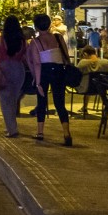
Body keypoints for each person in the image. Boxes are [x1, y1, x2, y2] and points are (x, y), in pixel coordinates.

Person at [27, 13, 73, 146]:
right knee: (60, 103)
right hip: (58, 70)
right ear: (49, 24)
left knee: (41, 101)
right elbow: (66, 57)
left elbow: (36, 63)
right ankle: (66, 133)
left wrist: (37, 81)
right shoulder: (58, 38)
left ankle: (40, 132)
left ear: (36, 27)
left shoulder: (35, 42)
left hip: (44, 71)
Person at [0, 15, 27, 137]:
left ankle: (12, 129)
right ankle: (11, 126)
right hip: (19, 70)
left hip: (4, 69)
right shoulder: (22, 41)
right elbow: (25, 57)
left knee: (5, 100)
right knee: (14, 99)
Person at [75, 46, 108, 115]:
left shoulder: (83, 63)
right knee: (98, 82)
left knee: (85, 81)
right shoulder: (106, 63)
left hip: (86, 88)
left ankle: (84, 107)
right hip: (102, 89)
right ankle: (105, 106)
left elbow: (76, 74)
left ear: (85, 54)